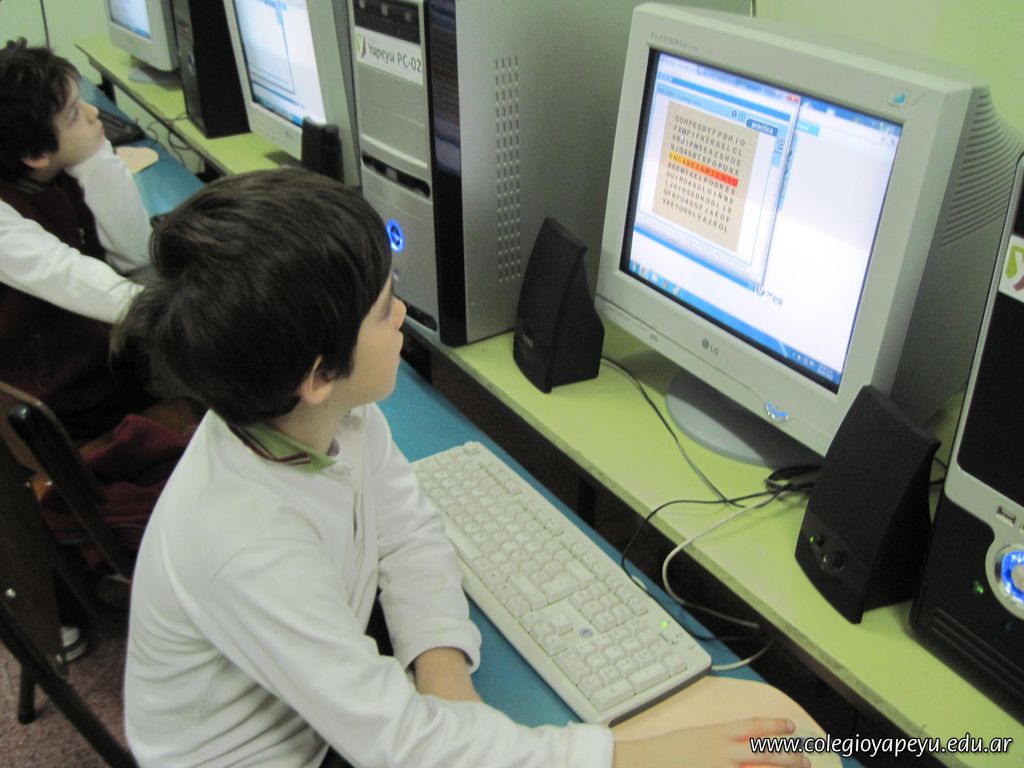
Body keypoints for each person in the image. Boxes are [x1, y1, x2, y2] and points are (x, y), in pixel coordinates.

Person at [118, 168, 807, 768]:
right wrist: (633, 757)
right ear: (319, 374)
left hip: (317, 705)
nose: (402, 313)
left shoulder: (321, 414)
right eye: (384, 308)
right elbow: (402, 747)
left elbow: (406, 528)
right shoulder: (245, 546)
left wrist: (443, 671)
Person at [0, 39, 153, 438]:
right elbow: (68, 275)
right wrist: (181, 311)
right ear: (36, 155)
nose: (93, 112)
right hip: (60, 402)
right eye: (74, 114)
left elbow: (134, 254)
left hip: (101, 362)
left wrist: (96, 154)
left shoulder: (52, 171)